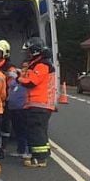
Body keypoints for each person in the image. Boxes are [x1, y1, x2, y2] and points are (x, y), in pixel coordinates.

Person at [18, 38, 56, 168]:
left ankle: (39, 159)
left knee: (36, 131)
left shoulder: (41, 65)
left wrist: (18, 78)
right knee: (40, 131)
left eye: (28, 51)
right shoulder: (38, 64)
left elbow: (31, 82)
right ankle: (43, 155)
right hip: (41, 104)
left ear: (35, 51)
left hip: (39, 104)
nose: (27, 54)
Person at [6, 67, 29, 157]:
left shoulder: (27, 81)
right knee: (18, 130)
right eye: (22, 70)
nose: (22, 72)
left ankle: (26, 150)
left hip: (23, 108)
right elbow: (10, 86)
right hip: (13, 108)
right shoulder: (15, 81)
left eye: (24, 70)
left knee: (24, 130)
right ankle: (21, 150)